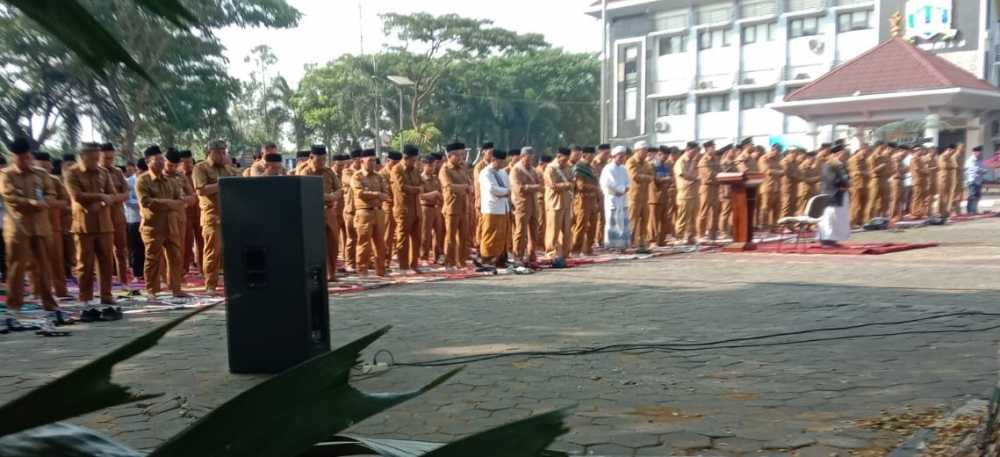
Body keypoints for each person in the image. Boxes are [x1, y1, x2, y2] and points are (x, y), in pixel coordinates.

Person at [1, 137, 61, 314]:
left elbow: (51, 192)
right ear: (14, 157)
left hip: (41, 227)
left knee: (44, 265)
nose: (25, 161)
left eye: (27, 157)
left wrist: (47, 201)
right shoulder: (6, 175)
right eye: (21, 158)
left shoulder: (40, 174)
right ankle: (14, 304)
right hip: (18, 228)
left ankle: (48, 302)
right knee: (16, 267)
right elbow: (10, 197)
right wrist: (33, 203)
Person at [64, 142, 117, 305]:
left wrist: (103, 202)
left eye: (97, 157)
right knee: (84, 264)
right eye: (92, 158)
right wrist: (100, 197)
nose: (96, 161)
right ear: (82, 157)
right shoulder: (72, 173)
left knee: (106, 262)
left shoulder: (103, 172)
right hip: (84, 226)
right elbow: (77, 195)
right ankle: (85, 296)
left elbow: (112, 194)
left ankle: (106, 295)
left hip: (104, 224)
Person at [136, 146, 189, 298]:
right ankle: (152, 290)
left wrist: (169, 203)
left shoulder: (170, 180)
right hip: (152, 227)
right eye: (157, 160)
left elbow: (180, 200)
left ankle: (176, 289)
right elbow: (146, 202)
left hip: (171, 225)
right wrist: (169, 203)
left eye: (161, 159)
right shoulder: (143, 180)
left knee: (176, 257)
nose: (160, 163)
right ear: (147, 161)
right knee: (153, 258)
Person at [192, 139, 236, 295]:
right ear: (209, 152)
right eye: (218, 152)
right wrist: (223, 184)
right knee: (213, 252)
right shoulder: (200, 168)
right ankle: (210, 285)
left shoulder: (228, 169)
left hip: (230, 216)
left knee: (231, 251)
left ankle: (232, 283)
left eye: (224, 152)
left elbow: (239, 182)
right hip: (212, 216)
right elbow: (201, 190)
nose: (221, 155)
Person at [298, 145, 342, 281]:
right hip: (312, 212)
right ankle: (316, 274)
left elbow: (340, 189)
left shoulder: (329, 172)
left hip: (328, 212)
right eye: (319, 160)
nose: (322, 162)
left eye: (324, 159)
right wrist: (329, 197)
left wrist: (334, 196)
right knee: (315, 244)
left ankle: (332, 273)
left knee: (333, 243)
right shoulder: (304, 172)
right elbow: (307, 193)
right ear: (311, 157)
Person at [33, 152, 71, 299]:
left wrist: (49, 202)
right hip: (33, 228)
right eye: (41, 165)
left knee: (57, 261)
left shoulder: (55, 181)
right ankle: (39, 293)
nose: (45, 168)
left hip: (54, 226)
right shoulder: (29, 180)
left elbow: (66, 201)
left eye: (46, 165)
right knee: (36, 264)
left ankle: (61, 292)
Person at [352, 148, 390, 277]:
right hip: (364, 213)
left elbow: (386, 194)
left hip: (378, 212)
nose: (373, 163)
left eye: (374, 160)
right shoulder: (357, 176)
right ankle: (362, 271)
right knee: (364, 243)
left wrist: (378, 195)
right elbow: (360, 193)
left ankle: (381, 270)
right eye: (370, 160)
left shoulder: (379, 176)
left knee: (380, 243)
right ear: (362, 161)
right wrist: (377, 194)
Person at [98, 143, 130, 289]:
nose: (109, 161)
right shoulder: (95, 173)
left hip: (117, 217)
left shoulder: (117, 172)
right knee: (103, 253)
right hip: (100, 218)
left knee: (121, 251)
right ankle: (105, 284)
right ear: (99, 156)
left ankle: (123, 281)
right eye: (106, 158)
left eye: (111, 158)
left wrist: (112, 198)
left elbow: (126, 193)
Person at [390, 145, 423, 274]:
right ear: (406, 158)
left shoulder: (414, 170)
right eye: (413, 160)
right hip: (403, 209)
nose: (414, 163)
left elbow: (421, 183)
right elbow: (402, 188)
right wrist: (417, 189)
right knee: (402, 239)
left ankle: (414, 264)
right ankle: (403, 266)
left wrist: (416, 188)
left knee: (416, 239)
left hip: (416, 209)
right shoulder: (396, 169)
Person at [439, 143, 472, 271]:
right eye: (458, 155)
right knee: (451, 237)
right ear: (450, 155)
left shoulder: (462, 168)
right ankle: (449, 262)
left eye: (462, 155)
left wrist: (469, 187)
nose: (461, 158)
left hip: (464, 206)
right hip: (451, 207)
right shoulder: (445, 169)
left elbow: (469, 182)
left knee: (464, 236)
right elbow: (448, 186)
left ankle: (461, 262)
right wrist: (465, 187)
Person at [478, 149, 511, 267]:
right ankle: (487, 259)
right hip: (491, 208)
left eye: (504, 162)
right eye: (501, 162)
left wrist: (506, 192)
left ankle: (500, 259)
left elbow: (508, 186)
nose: (503, 165)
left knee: (502, 235)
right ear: (493, 160)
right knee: (490, 235)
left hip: (504, 207)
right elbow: (492, 189)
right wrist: (506, 191)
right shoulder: (485, 173)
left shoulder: (503, 173)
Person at [509, 146, 542, 264]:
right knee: (520, 232)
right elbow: (518, 188)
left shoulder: (533, 170)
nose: (530, 161)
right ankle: (518, 256)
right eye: (528, 158)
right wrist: (533, 187)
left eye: (532, 158)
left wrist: (535, 187)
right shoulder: (516, 170)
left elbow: (540, 184)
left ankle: (532, 255)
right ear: (522, 157)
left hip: (533, 204)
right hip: (521, 204)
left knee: (534, 231)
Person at [544, 147, 574, 265]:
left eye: (567, 160)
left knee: (567, 230)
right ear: (558, 156)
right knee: (553, 229)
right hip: (554, 203)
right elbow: (553, 185)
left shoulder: (568, 168)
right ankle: (551, 252)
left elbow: (572, 182)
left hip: (566, 202)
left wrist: (567, 185)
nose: (565, 162)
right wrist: (566, 185)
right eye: (564, 159)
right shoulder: (550, 168)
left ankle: (565, 252)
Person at [818, 146, 851, 247]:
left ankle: (834, 238)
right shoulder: (830, 165)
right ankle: (826, 239)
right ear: (837, 154)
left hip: (841, 194)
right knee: (829, 217)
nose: (846, 156)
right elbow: (830, 180)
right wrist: (841, 186)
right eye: (843, 153)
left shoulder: (841, 165)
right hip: (832, 194)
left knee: (838, 217)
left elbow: (846, 177)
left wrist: (846, 184)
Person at [625, 141, 654, 251]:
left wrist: (645, 177)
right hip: (634, 197)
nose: (646, 153)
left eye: (647, 150)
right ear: (637, 151)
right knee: (633, 221)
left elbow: (652, 176)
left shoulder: (646, 163)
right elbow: (635, 176)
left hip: (645, 196)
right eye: (644, 150)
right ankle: (630, 242)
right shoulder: (631, 162)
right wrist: (646, 177)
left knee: (644, 220)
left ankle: (642, 243)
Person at [600, 146, 630, 251]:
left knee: (622, 222)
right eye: (620, 156)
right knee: (612, 221)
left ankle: (622, 244)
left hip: (622, 198)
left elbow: (627, 181)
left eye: (623, 156)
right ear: (614, 156)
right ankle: (611, 245)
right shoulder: (608, 168)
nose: (622, 158)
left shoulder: (623, 168)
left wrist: (625, 188)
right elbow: (608, 183)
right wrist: (620, 189)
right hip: (612, 198)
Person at [571, 146, 598, 256]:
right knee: (581, 225)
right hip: (582, 199)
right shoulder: (579, 167)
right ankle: (576, 249)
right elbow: (580, 186)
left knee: (593, 224)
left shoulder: (591, 167)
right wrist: (593, 187)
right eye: (590, 156)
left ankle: (588, 248)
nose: (592, 158)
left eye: (593, 155)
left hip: (592, 199)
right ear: (584, 155)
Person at [674, 142, 701, 245]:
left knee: (693, 218)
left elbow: (698, 173)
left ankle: (691, 237)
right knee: (682, 218)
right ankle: (679, 237)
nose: (696, 153)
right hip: (684, 194)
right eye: (694, 151)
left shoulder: (693, 161)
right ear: (688, 150)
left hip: (694, 193)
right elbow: (684, 175)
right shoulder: (681, 161)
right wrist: (695, 178)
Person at [418, 154, 444, 264]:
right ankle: (424, 257)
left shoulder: (436, 179)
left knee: (438, 233)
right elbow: (421, 196)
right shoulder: (420, 179)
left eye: (433, 166)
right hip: (425, 208)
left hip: (436, 208)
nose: (432, 168)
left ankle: (437, 256)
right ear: (423, 165)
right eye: (429, 166)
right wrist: (434, 194)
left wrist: (440, 197)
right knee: (425, 234)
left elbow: (441, 192)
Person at [697, 141, 722, 240]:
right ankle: (701, 234)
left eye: (714, 147)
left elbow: (720, 170)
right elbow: (710, 174)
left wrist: (721, 175)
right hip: (706, 188)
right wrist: (721, 176)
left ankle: (713, 234)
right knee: (704, 211)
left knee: (714, 211)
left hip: (715, 187)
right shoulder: (703, 161)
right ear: (707, 149)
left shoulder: (715, 159)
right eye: (713, 147)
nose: (714, 149)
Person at [649, 146, 673, 246]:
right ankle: (652, 240)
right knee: (654, 220)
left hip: (664, 196)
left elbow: (671, 178)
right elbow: (656, 180)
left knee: (664, 220)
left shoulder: (666, 165)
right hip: (655, 196)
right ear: (659, 154)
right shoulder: (652, 165)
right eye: (663, 156)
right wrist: (666, 179)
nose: (665, 158)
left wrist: (666, 179)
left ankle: (661, 240)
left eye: (667, 157)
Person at [757, 144, 783, 231]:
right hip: (767, 187)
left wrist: (778, 172)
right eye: (777, 151)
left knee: (776, 208)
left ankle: (774, 226)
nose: (778, 153)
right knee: (765, 208)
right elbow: (767, 171)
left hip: (777, 187)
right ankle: (764, 226)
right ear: (772, 150)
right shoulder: (764, 158)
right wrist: (779, 172)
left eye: (779, 151)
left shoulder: (778, 159)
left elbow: (783, 171)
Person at [865, 144, 891, 220]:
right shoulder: (871, 158)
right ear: (876, 148)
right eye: (881, 148)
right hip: (875, 180)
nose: (882, 150)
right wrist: (880, 167)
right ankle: (868, 219)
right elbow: (871, 171)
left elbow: (888, 169)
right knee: (872, 200)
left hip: (884, 180)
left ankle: (882, 218)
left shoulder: (884, 157)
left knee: (885, 200)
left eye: (883, 148)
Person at [965, 146, 986, 214]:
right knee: (972, 196)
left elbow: (981, 168)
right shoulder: (970, 160)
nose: (980, 153)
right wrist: (981, 171)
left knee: (978, 196)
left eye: (980, 152)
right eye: (978, 152)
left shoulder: (980, 160)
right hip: (972, 180)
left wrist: (983, 171)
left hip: (978, 181)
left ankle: (974, 209)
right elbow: (973, 169)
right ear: (974, 152)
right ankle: (971, 210)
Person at [937, 145, 957, 217]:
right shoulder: (942, 156)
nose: (953, 153)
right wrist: (952, 166)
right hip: (943, 178)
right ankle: (940, 212)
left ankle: (946, 212)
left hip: (950, 179)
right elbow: (944, 166)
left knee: (949, 196)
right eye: (952, 151)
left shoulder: (951, 157)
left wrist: (952, 165)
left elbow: (955, 165)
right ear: (948, 149)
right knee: (942, 196)